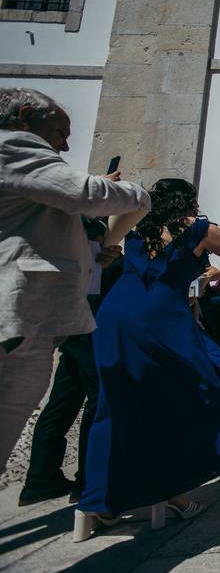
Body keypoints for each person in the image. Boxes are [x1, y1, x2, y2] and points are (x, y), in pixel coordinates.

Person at [77, 178, 220, 526]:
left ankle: (98, 501)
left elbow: (105, 248)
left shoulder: (137, 226)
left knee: (113, 404)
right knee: (186, 399)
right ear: (188, 201)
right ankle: (170, 491)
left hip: (113, 317)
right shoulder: (199, 228)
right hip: (160, 319)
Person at [0, 88, 149, 473]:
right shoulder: (14, 146)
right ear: (27, 117)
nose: (65, 145)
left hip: (36, 314)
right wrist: (137, 195)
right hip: (16, 310)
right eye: (60, 131)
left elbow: (32, 229)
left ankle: (45, 478)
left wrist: (91, 253)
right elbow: (84, 193)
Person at [18, 218, 122, 506]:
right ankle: (87, 481)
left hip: (72, 330)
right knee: (98, 400)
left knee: (63, 402)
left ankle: (40, 478)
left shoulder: (71, 257)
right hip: (89, 330)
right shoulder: (95, 261)